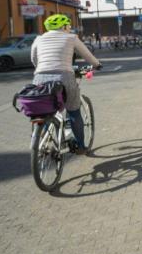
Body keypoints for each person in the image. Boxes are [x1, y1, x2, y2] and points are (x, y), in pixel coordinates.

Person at [31, 14, 101, 155]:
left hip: (39, 78)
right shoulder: (71, 38)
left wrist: (44, 69)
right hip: (64, 77)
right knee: (74, 111)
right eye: (68, 25)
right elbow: (86, 54)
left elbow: (34, 59)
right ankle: (81, 146)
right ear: (63, 27)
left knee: (44, 111)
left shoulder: (39, 39)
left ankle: (44, 141)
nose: (69, 28)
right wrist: (97, 64)